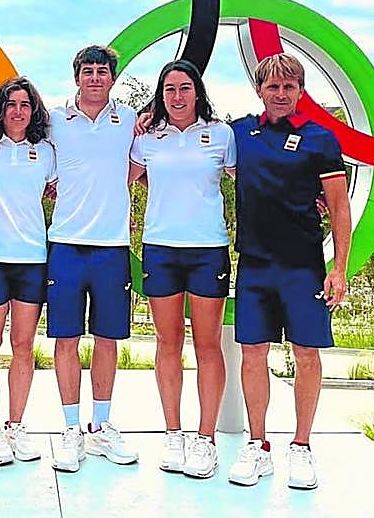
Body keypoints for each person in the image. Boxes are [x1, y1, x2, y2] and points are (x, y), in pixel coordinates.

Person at [226, 53, 351, 491]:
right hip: (255, 265)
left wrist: (340, 267)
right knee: (253, 354)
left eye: (289, 86)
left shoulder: (321, 139)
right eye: (273, 87)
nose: (281, 94)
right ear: (259, 90)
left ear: (301, 91)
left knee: (307, 354)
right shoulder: (240, 132)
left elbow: (338, 206)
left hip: (303, 267)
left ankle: (301, 446)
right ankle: (257, 446)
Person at [128, 59, 236, 480]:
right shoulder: (148, 138)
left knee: (207, 345)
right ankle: (173, 434)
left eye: (185, 88)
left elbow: (254, 179)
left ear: (198, 92)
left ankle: (205, 438)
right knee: (167, 342)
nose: (177, 96)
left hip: (208, 250)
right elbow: (126, 177)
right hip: (161, 249)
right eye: (169, 89)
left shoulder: (222, 135)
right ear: (161, 94)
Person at [46, 45, 139, 473]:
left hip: (112, 248)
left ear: (113, 78)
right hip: (64, 245)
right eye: (88, 71)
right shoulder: (53, 119)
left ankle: (100, 428)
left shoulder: (131, 122)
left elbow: (143, 162)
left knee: (107, 339)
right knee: (65, 340)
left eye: (103, 71)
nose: (96, 77)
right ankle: (69, 430)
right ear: (76, 76)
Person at [0, 76, 57, 465]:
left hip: (32, 260)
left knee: (23, 347)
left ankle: (15, 426)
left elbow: (61, 189)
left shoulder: (46, 151)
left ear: (33, 110)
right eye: (11, 104)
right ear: (1, 109)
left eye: (25, 104)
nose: (18, 111)